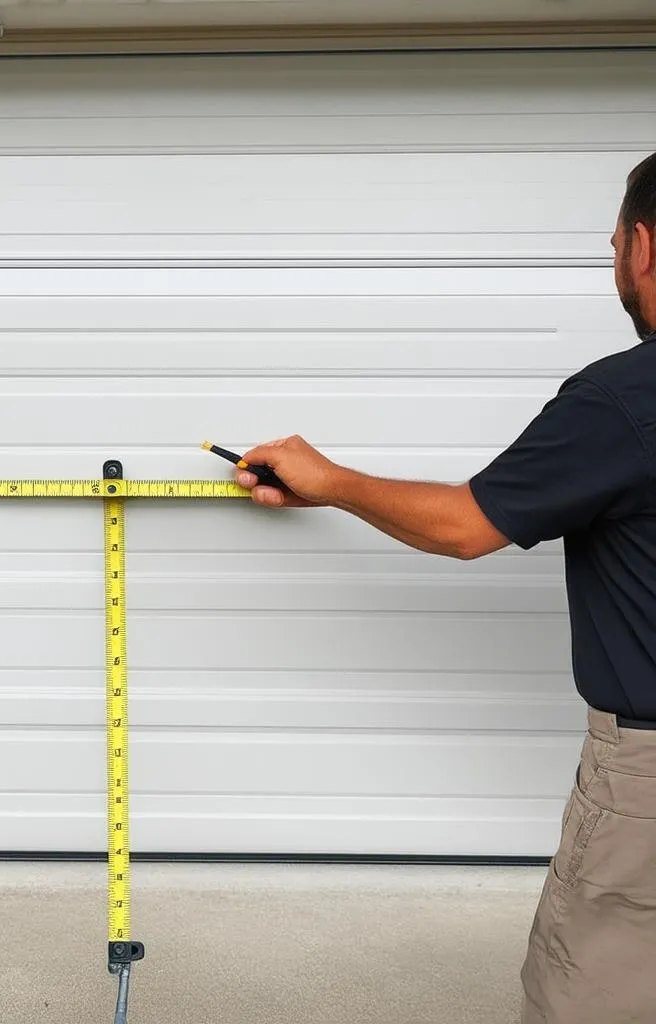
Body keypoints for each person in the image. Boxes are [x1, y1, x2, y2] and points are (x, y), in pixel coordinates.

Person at [234, 152, 656, 1024]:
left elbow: (466, 527)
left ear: (644, 249)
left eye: (613, 242)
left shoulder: (624, 399)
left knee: (594, 999)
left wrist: (330, 478)